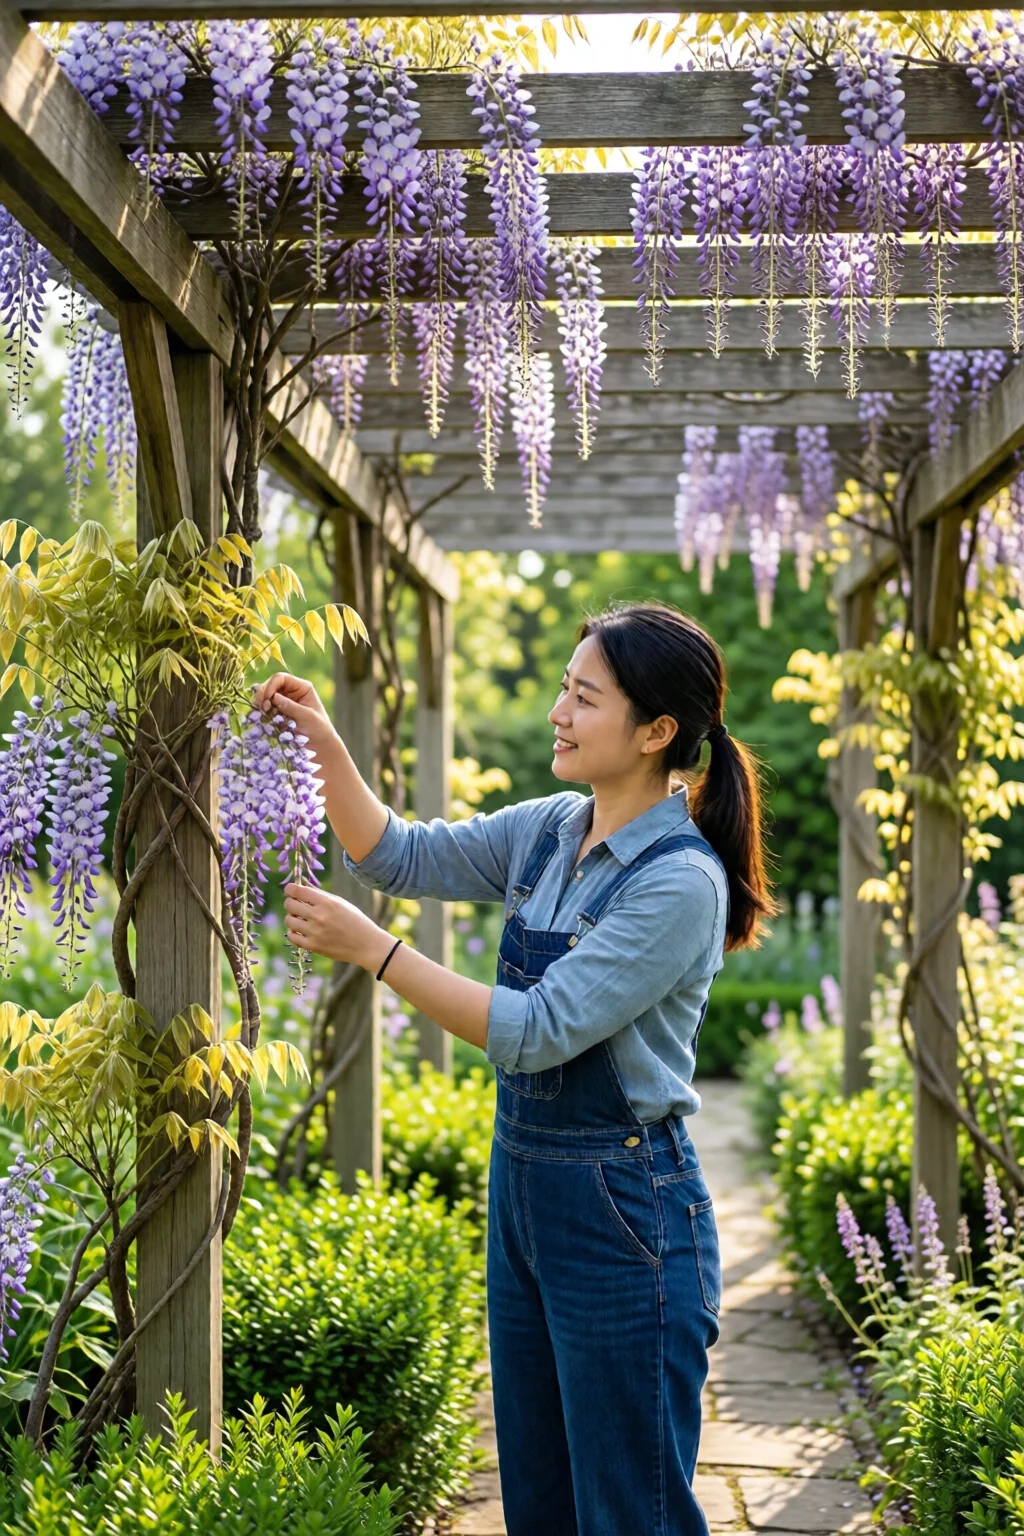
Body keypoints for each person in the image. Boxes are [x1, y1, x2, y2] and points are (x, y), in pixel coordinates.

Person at [253, 599, 776, 1536]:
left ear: (657, 731)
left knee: (628, 1512)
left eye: (584, 697)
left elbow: (538, 1030)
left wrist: (377, 954)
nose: (558, 715)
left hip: (626, 1213)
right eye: (564, 690)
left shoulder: (679, 882)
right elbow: (399, 856)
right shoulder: (550, 829)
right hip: (525, 1188)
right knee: (538, 1502)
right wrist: (326, 741)